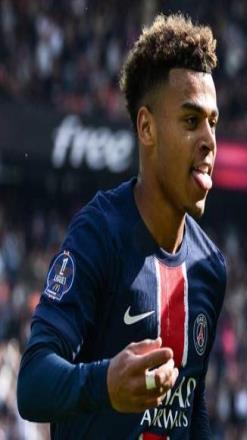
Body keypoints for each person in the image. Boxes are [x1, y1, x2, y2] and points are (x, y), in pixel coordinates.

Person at [17, 13, 226, 439]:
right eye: (191, 121)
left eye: (213, 122)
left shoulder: (211, 266)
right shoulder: (99, 235)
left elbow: (191, 404)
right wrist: (105, 384)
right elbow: (33, 382)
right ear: (146, 127)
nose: (209, 140)